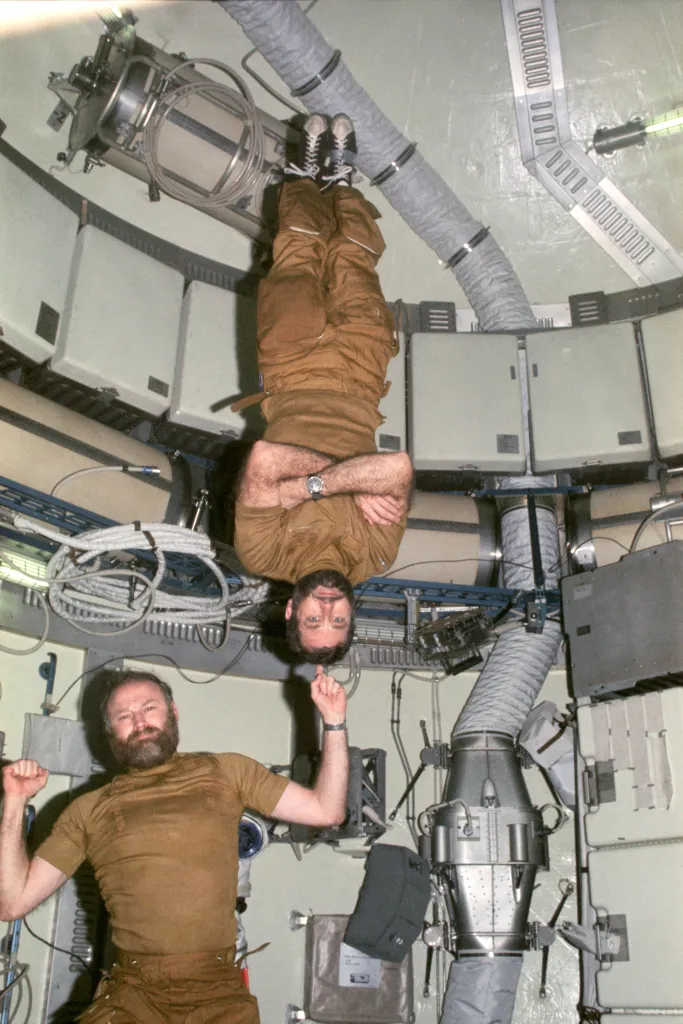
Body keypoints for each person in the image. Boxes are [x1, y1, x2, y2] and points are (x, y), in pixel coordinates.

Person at [0, 667, 349, 1023]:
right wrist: (14, 802)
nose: (139, 721)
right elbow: (12, 903)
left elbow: (327, 810)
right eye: (124, 715)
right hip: (131, 993)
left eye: (149, 707)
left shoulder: (228, 772)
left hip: (218, 992)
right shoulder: (86, 810)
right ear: (109, 732)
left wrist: (334, 723)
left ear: (173, 713)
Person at [233, 113, 414, 666]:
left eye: (316, 619)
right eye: (338, 620)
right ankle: (342, 181)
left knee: (298, 252)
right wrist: (303, 486)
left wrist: (330, 485)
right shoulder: (376, 554)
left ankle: (305, 174)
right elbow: (399, 469)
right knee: (355, 258)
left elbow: (264, 458)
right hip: (361, 376)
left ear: (291, 611)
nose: (329, 607)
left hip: (290, 369)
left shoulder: (261, 553)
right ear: (354, 614)